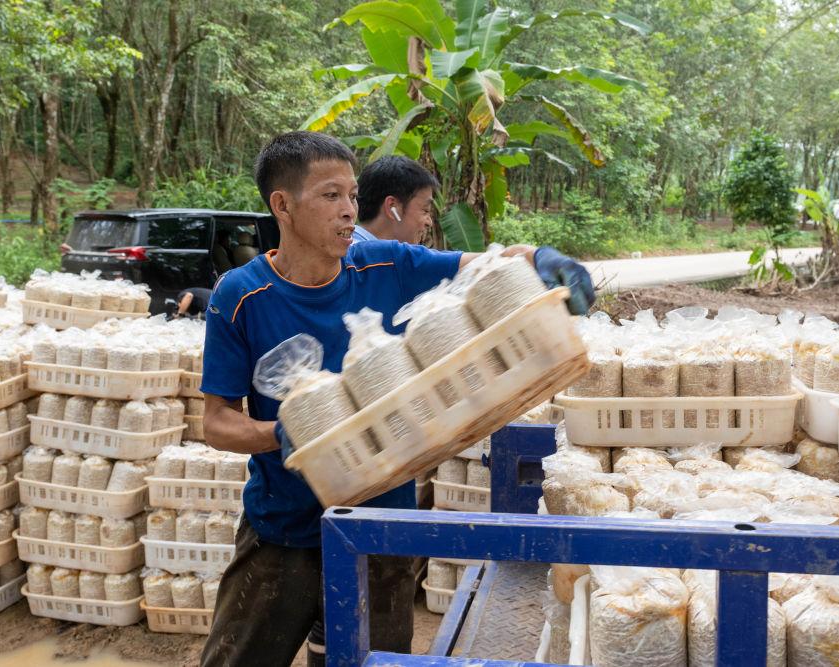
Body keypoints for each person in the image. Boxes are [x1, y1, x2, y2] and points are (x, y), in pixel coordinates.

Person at [198, 131, 595, 667]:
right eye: (330, 196)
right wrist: (284, 435)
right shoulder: (241, 296)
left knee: (368, 661)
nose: (348, 212)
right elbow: (218, 423)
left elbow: (489, 264)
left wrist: (542, 258)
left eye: (352, 196)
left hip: (381, 525)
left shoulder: (385, 265)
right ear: (282, 205)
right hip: (284, 528)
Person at [353, 155, 438, 244]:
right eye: (425, 210)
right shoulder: (353, 254)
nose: (429, 222)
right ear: (392, 207)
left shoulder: (382, 255)